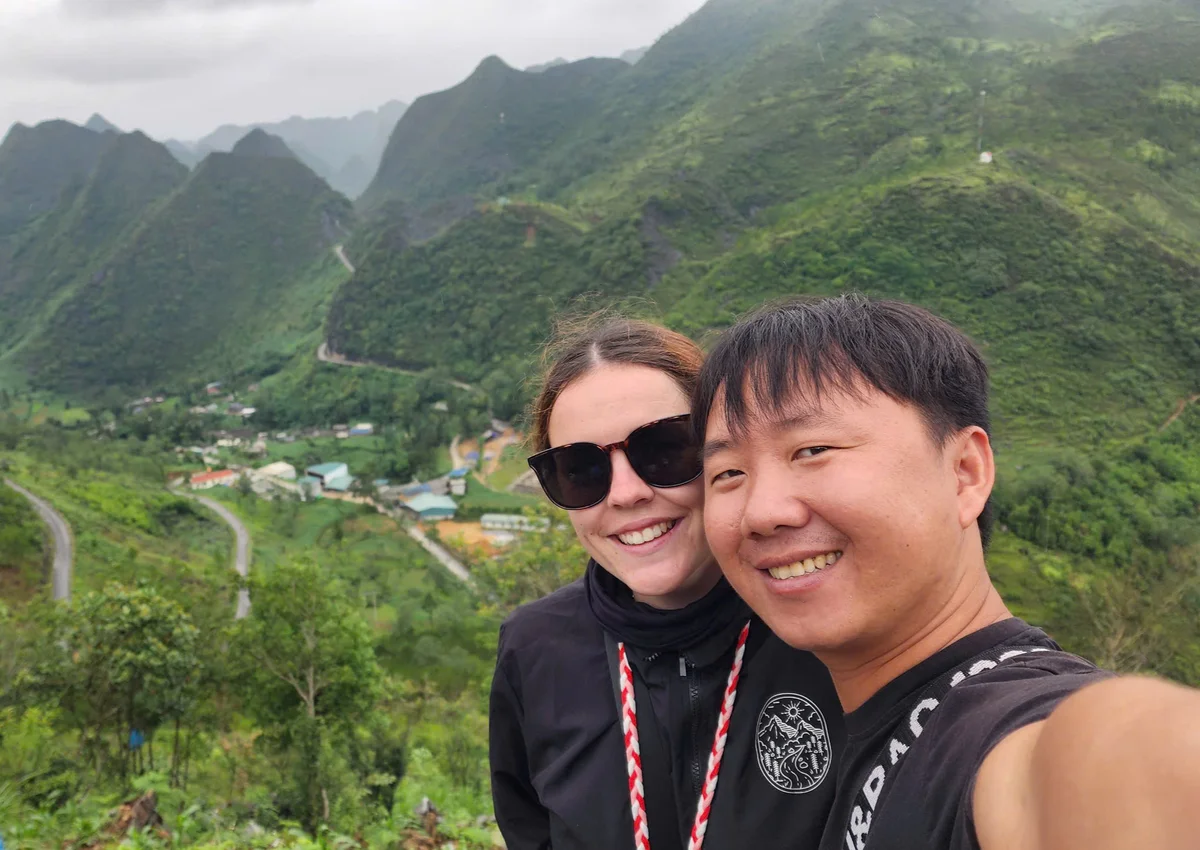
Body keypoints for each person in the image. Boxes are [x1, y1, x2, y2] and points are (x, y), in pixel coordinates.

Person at [692, 293, 1200, 850]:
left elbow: (1118, 767)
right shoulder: (867, 721)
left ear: (965, 473)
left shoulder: (1001, 728)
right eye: (728, 473)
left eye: (813, 449)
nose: (762, 512)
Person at [489, 317, 844, 850]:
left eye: (664, 449)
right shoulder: (534, 648)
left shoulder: (825, 626)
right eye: (580, 469)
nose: (626, 493)